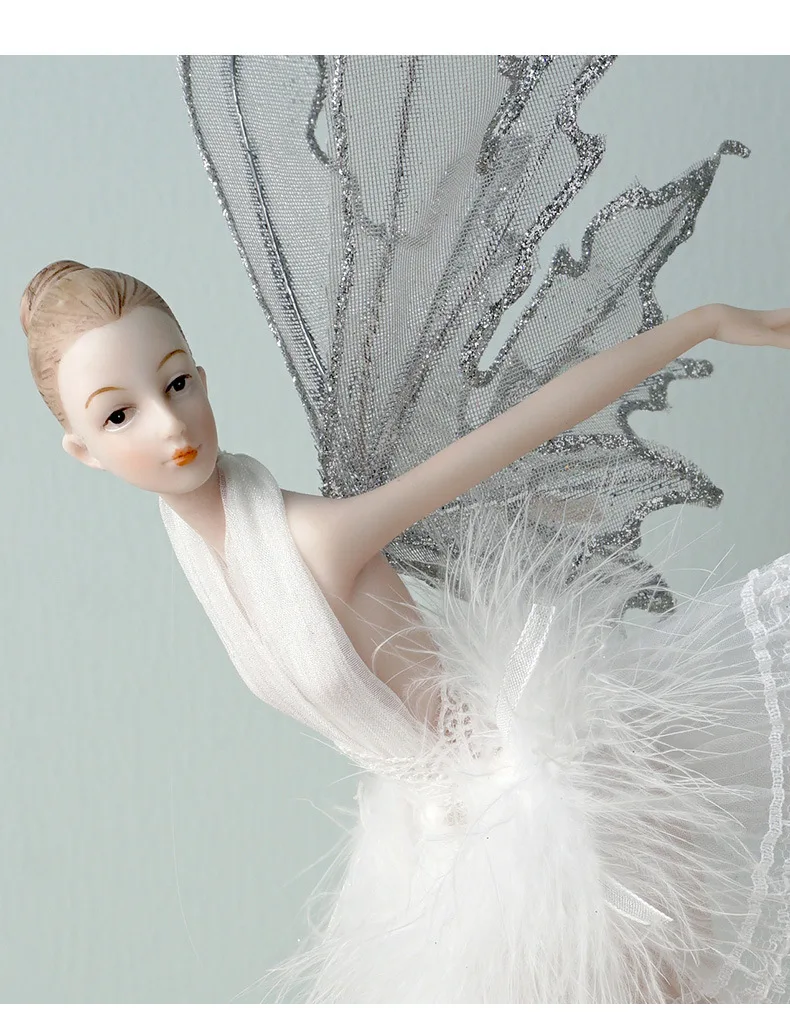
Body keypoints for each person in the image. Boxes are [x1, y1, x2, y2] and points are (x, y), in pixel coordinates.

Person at [19, 257, 790, 1003]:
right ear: (84, 450)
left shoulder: (315, 539)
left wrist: (701, 324)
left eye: (177, 383)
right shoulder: (210, 561)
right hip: (429, 848)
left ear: (203, 376)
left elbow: (517, 430)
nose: (169, 423)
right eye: (119, 414)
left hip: (532, 816)